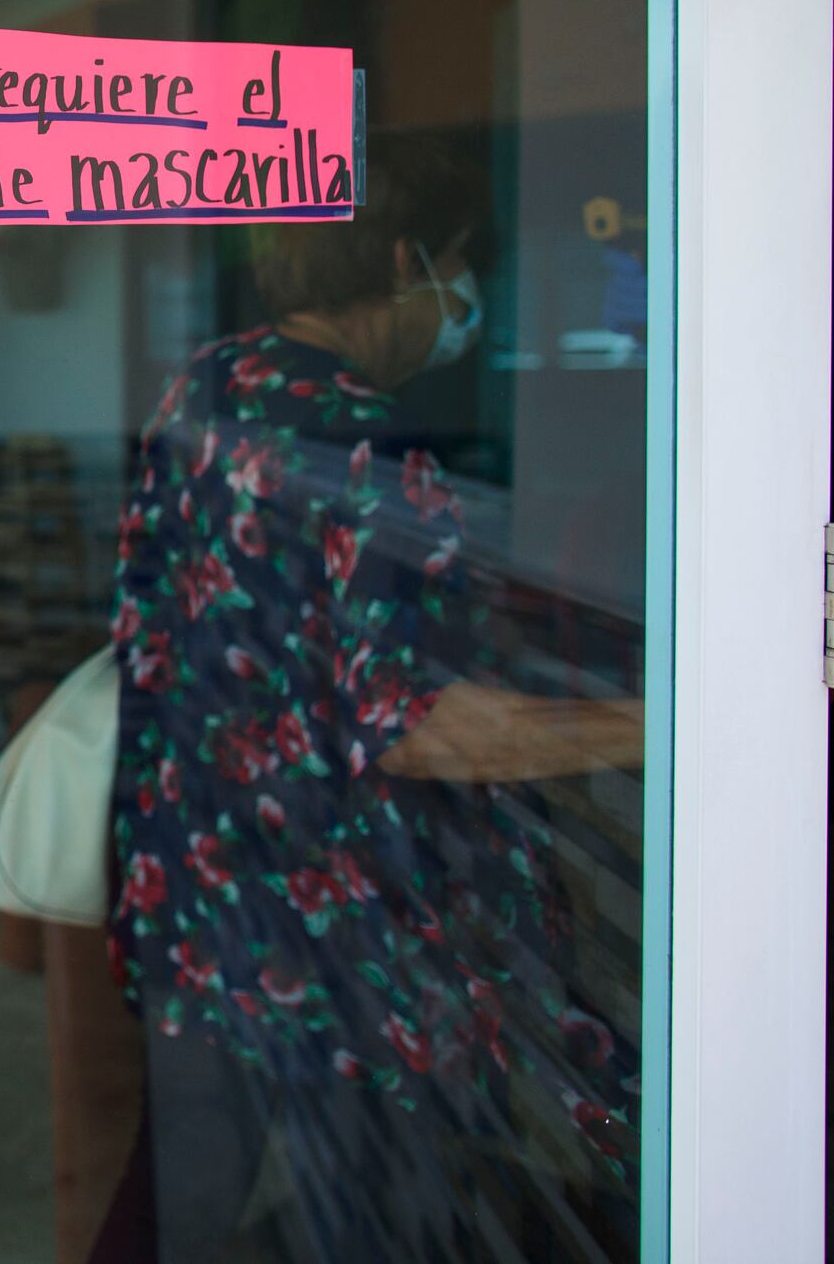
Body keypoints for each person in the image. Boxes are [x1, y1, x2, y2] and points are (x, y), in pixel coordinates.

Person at [94, 136, 644, 1262]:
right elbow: (420, 725)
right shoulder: (372, 447)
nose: (469, 293)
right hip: (333, 938)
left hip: (189, 884)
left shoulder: (204, 384)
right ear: (404, 261)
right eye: (457, 260)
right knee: (385, 1218)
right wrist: (659, 728)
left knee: (182, 1206)